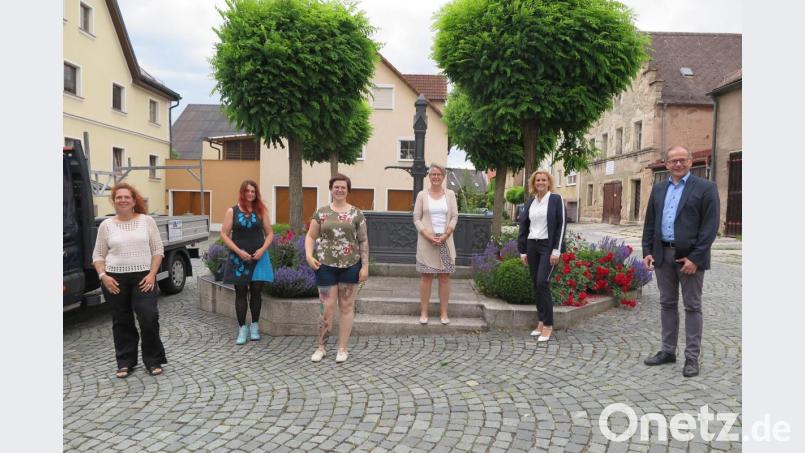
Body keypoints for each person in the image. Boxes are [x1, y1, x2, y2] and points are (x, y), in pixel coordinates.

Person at [642, 146, 720, 378]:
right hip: (662, 255)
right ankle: (668, 351)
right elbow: (650, 223)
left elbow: (710, 226)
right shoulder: (658, 189)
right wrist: (647, 251)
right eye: (673, 161)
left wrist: (696, 258)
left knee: (692, 306)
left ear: (690, 161)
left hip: (689, 258)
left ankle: (691, 357)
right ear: (666, 164)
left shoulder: (706, 188)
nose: (678, 164)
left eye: (682, 160)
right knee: (667, 303)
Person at [92, 183, 166, 378]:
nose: (123, 200)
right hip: (114, 279)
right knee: (122, 320)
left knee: (148, 317)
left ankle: (153, 360)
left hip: (144, 277)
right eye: (119, 197)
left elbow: (158, 251)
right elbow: (98, 255)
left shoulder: (146, 221)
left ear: (134, 200)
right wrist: (103, 276)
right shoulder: (106, 226)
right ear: (114, 201)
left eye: (127, 197)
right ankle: (125, 362)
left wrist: (152, 275)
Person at [305, 173, 369, 363]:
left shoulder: (356, 214)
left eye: (343, 187)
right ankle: (321, 347)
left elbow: (363, 241)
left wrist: (365, 266)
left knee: (347, 307)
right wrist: (309, 256)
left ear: (348, 190)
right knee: (326, 308)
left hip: (350, 266)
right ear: (331, 189)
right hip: (325, 266)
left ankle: (342, 348)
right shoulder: (322, 213)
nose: (339, 190)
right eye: (336, 187)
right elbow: (310, 236)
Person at [221, 180, 274, 345]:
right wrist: (238, 251)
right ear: (242, 192)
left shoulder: (260, 211)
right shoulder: (232, 211)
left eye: (253, 191)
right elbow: (224, 234)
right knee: (241, 292)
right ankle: (242, 327)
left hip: (258, 258)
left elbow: (270, 233)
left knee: (257, 292)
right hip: (239, 259)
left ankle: (255, 326)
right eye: (247, 191)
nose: (250, 194)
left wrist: (262, 250)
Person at [517, 170, 566, 342]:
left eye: (544, 180)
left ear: (549, 182)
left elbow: (561, 225)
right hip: (532, 245)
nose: (541, 182)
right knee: (536, 285)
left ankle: (548, 325)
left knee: (542, 282)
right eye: (538, 180)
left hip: (548, 246)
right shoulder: (531, 201)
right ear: (533, 183)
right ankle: (540, 321)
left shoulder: (555, 199)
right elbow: (523, 225)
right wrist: (522, 250)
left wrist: (556, 250)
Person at [413, 163, 459, 325]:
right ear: (429, 176)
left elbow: (454, 216)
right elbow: (416, 218)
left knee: (444, 277)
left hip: (445, 240)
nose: (436, 177)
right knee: (426, 277)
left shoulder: (451, 194)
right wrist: (427, 235)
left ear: (443, 176)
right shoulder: (421, 195)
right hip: (427, 241)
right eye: (433, 174)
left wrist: (446, 234)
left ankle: (444, 313)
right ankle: (424, 312)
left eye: (439, 174)